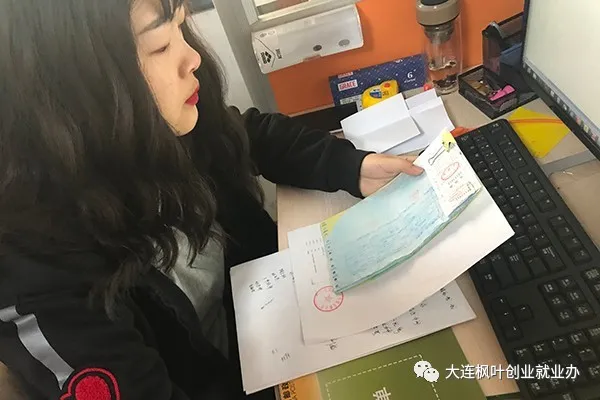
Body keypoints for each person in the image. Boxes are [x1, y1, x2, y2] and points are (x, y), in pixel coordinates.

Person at [0, 0, 423, 399]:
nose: (192, 58)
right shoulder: (37, 274)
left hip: (277, 323)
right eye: (160, 46)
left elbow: (246, 134)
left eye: (181, 28)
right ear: (71, 90)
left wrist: (350, 166)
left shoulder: (155, 131)